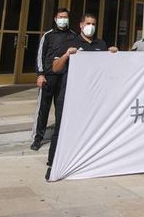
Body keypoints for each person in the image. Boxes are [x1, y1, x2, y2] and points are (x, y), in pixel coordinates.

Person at [46, 13, 112, 179]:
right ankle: (53, 163)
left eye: (93, 23)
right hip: (69, 95)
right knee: (61, 129)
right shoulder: (70, 43)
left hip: (92, 97)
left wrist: (113, 54)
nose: (90, 26)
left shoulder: (101, 44)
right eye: (88, 23)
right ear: (81, 25)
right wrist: (66, 55)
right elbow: (55, 67)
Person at [31, 7, 77, 152]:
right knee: (43, 110)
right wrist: (40, 74)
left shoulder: (73, 35)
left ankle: (60, 138)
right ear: (55, 19)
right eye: (60, 17)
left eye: (65, 17)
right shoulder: (48, 35)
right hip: (48, 78)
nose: (63, 20)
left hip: (64, 78)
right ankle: (37, 139)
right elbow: (40, 56)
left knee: (61, 109)